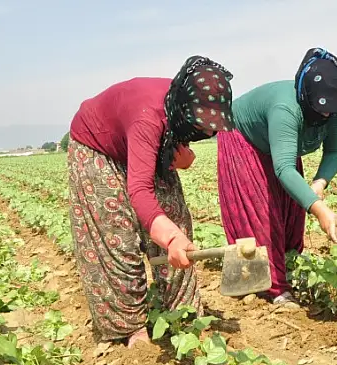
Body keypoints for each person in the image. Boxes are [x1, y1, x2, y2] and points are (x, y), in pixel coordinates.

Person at [67, 55, 235, 347]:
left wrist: (183, 156)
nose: (208, 132)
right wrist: (169, 239)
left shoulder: (181, 107)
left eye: (213, 126)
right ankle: (129, 327)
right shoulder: (149, 118)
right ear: (184, 110)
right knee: (117, 237)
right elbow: (141, 190)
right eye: (203, 125)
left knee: (177, 224)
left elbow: (176, 141)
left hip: (147, 137)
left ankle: (182, 314)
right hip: (99, 148)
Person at [217, 48, 337, 304]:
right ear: (305, 96)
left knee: (291, 212)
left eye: (329, 112)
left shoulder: (331, 106)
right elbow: (284, 168)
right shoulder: (286, 108)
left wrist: (319, 183)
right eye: (319, 111)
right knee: (261, 213)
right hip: (243, 138)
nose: (324, 116)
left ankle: (288, 267)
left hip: (278, 146)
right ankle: (270, 287)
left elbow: (335, 151)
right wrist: (320, 209)